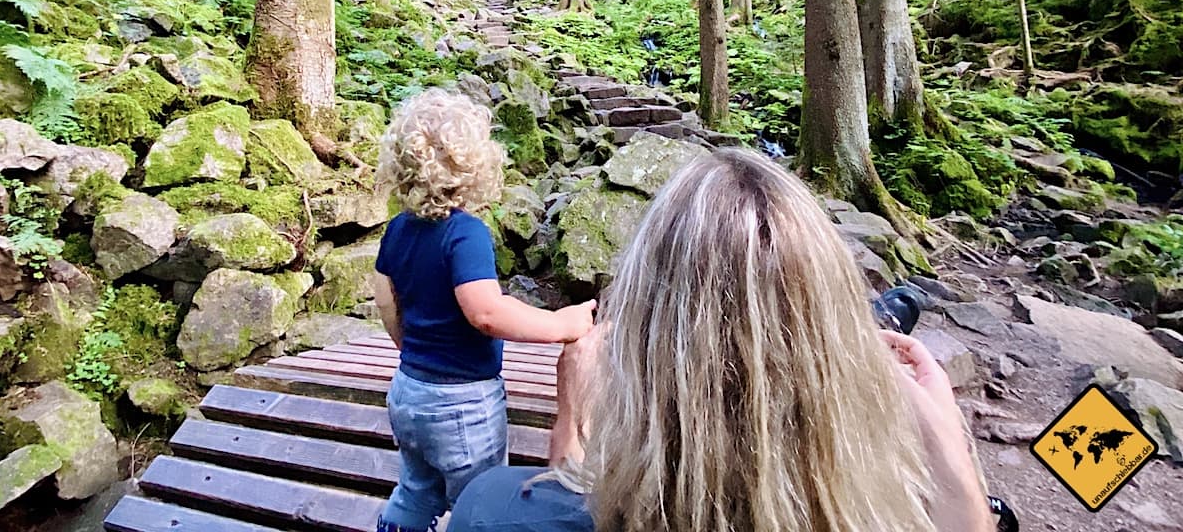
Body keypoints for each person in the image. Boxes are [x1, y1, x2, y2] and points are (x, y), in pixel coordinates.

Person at [447, 148, 995, 532]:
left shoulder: (488, 513)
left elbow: (563, 507)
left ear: (639, 354)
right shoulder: (893, 514)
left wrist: (577, 421)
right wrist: (953, 469)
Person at [373, 88, 596, 532]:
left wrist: (409, 347)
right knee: (479, 498)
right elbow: (486, 314)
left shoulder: (397, 229)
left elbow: (384, 295)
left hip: (408, 390)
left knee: (416, 487)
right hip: (462, 404)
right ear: (475, 167)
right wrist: (560, 323)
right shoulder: (465, 234)